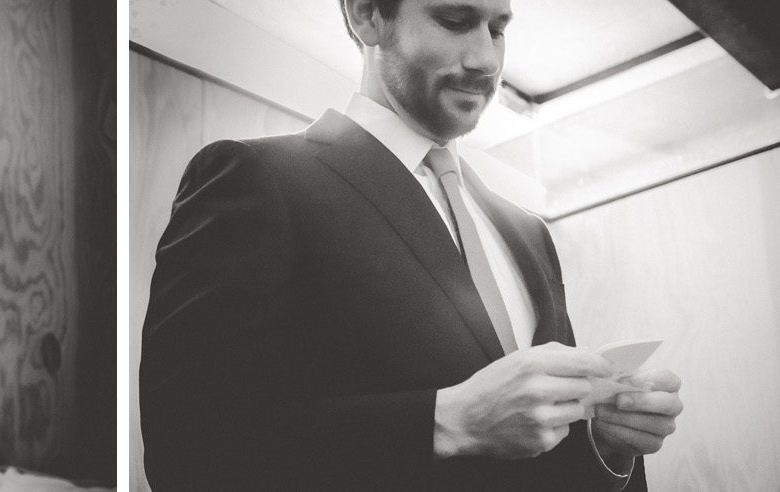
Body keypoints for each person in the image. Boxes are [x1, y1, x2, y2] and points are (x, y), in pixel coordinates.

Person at [138, 0, 683, 489]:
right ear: (367, 15)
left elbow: (538, 460)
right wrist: (448, 422)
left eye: (497, 29)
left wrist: (604, 444)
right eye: (454, 20)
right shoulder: (256, 177)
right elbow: (187, 449)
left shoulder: (527, 232)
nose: (486, 60)